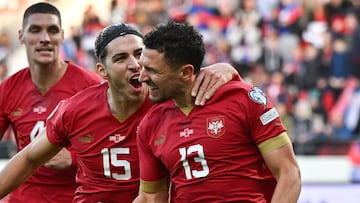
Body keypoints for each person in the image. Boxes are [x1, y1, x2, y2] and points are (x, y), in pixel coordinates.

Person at [0, 22, 239, 202]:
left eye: (139, 54)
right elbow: (30, 158)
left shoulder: (169, 102)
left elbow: (225, 93)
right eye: (121, 58)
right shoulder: (76, 109)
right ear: (102, 71)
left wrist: (227, 70)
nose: (135, 64)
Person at [134, 21, 302, 203]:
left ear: (185, 73)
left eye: (152, 70)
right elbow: (151, 197)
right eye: (142, 66)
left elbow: (289, 174)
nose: (142, 77)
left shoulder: (243, 99)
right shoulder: (150, 124)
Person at [0, 2, 104, 202]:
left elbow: (117, 148)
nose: (45, 38)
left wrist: (73, 158)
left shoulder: (92, 87)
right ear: (21, 36)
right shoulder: (8, 89)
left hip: (76, 197)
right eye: (36, 30)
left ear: (62, 36)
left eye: (52, 30)